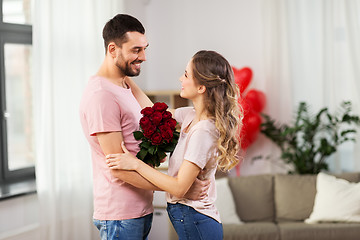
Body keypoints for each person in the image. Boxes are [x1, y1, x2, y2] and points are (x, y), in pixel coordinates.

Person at [79, 14, 207, 240]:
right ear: (112, 49)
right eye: (136, 50)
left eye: (145, 48)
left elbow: (161, 119)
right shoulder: (102, 96)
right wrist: (179, 188)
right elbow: (118, 167)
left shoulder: (123, 84)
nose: (144, 57)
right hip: (120, 215)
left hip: (138, 210)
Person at [106, 50, 242, 240]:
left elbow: (179, 187)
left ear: (201, 87)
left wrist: (135, 164)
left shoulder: (203, 132)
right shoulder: (190, 116)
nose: (181, 78)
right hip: (192, 220)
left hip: (197, 222)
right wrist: (125, 77)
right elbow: (153, 112)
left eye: (186, 75)